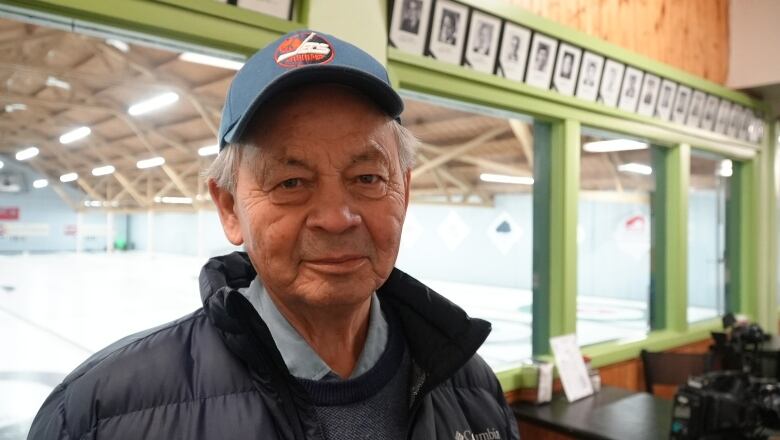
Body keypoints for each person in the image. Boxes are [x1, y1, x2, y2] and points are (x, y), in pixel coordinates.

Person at [27, 29, 519, 440]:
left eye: (367, 178)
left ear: (404, 192)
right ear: (229, 208)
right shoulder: (99, 414)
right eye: (291, 183)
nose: (336, 217)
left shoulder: (472, 392)